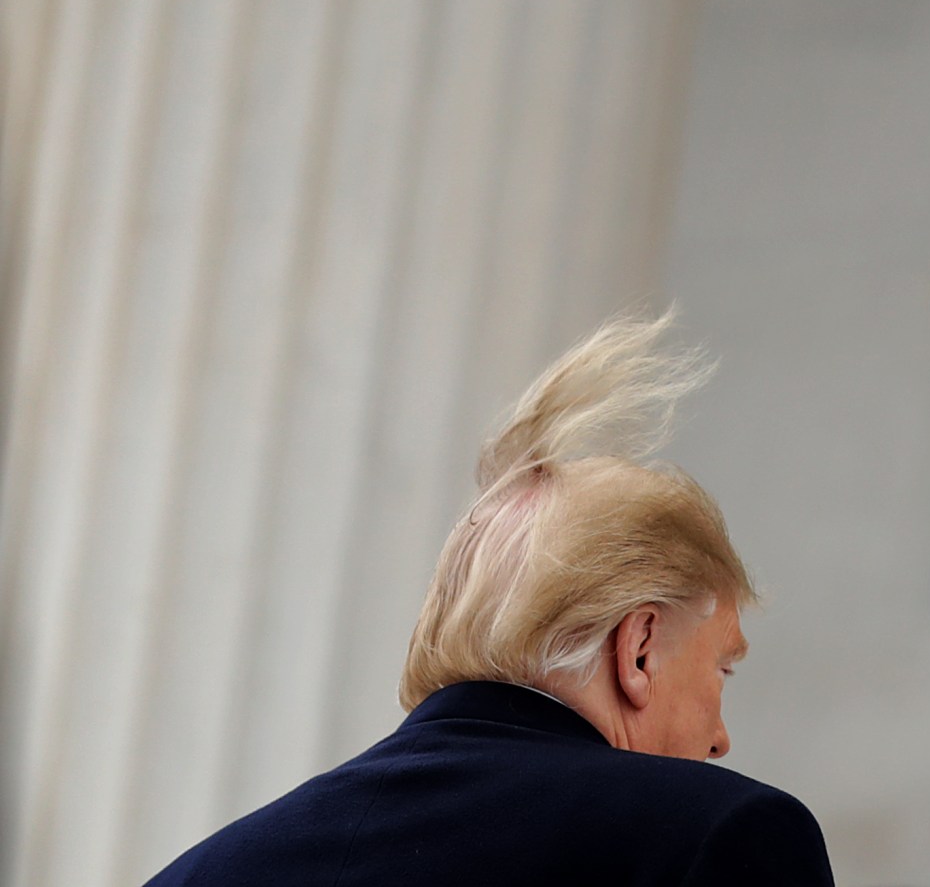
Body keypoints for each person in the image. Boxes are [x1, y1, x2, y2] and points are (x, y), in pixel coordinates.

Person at [144, 311, 835, 886]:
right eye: (722, 667)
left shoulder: (196, 872)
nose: (720, 738)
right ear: (640, 649)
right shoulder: (724, 836)